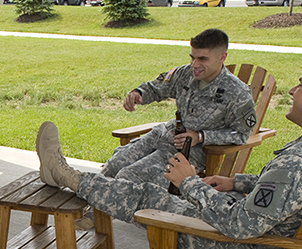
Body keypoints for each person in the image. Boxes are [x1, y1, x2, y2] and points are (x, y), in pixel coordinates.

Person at [36, 60, 302, 249]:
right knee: (147, 179)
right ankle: (72, 179)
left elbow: (240, 225)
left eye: (300, 85)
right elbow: (294, 192)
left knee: (151, 198)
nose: (294, 92)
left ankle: (67, 176)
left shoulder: (301, 161)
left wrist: (189, 182)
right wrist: (237, 181)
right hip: (280, 248)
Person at [104, 28, 257, 185]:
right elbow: (156, 88)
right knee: (111, 167)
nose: (195, 64)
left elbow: (240, 134)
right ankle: (96, 209)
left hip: (188, 153)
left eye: (202, 59)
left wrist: (200, 137)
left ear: (222, 57)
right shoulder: (184, 74)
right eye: (192, 57)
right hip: (162, 135)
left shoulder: (237, 92)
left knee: (129, 178)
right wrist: (138, 93)